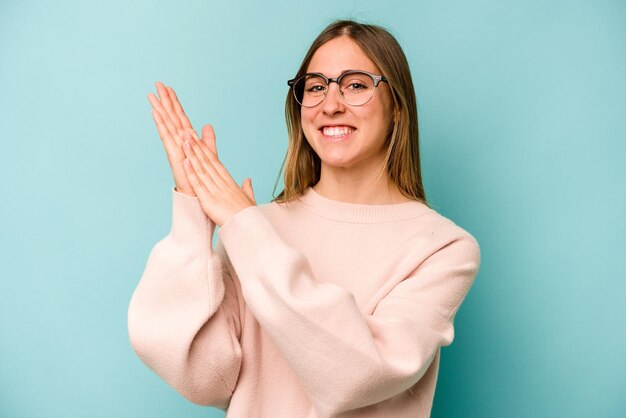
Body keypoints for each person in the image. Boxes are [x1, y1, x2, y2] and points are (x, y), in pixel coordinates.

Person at [127, 19, 481, 418]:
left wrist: (245, 229)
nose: (331, 104)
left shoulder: (444, 248)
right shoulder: (253, 229)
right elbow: (205, 377)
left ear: (397, 105)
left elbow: (355, 375)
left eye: (356, 84)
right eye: (315, 87)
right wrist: (194, 218)